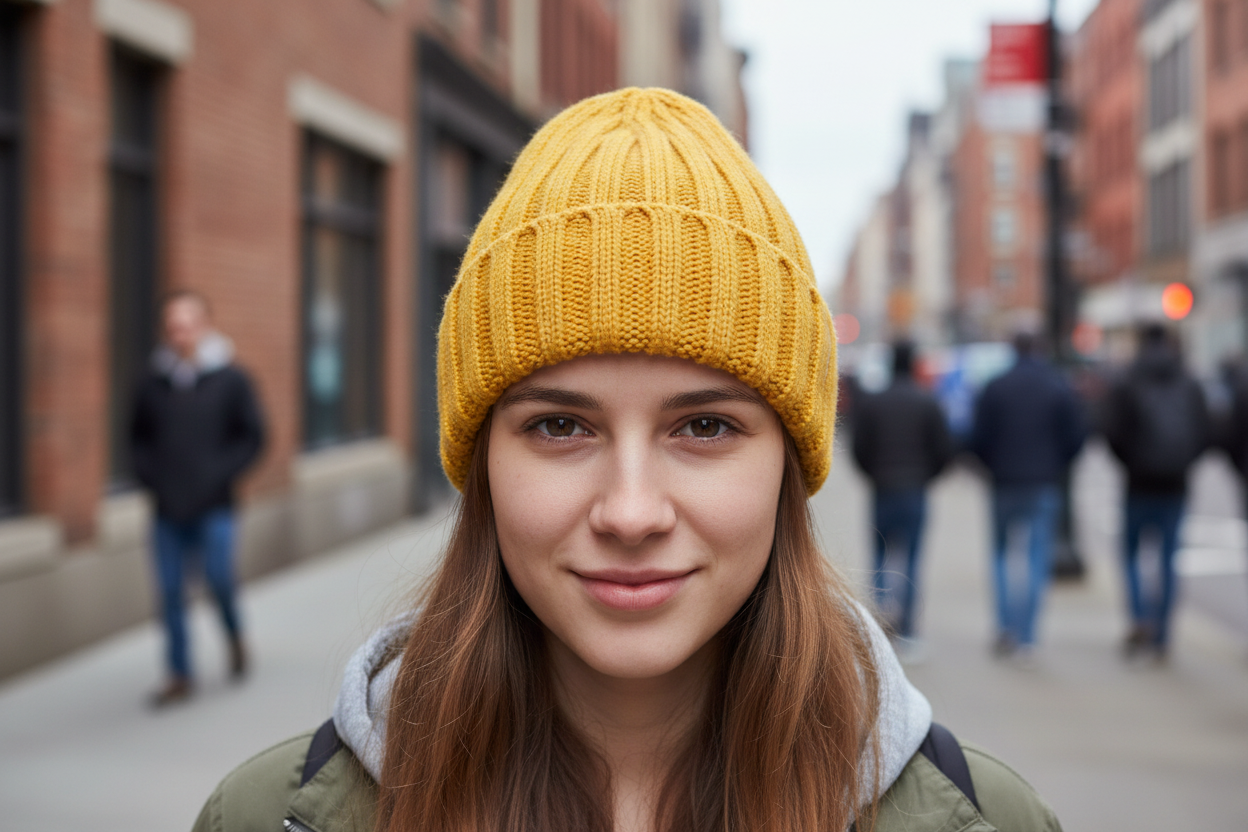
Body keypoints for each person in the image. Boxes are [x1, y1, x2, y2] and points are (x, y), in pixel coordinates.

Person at [194, 89, 1060, 832]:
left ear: (789, 463)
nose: (632, 512)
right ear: (481, 460)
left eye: (707, 428)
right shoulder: (268, 816)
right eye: (562, 428)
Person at [130, 290, 265, 706]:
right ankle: (178, 673)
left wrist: (220, 474)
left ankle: (233, 635)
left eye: (187, 324)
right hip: (167, 509)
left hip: (215, 506)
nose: (180, 333)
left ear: (204, 325)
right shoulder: (151, 384)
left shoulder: (231, 379)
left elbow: (254, 436)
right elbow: (135, 439)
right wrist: (152, 478)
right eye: (172, 326)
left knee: (219, 580)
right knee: (170, 591)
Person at [970, 331, 1086, 660]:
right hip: (1042, 482)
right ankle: (1029, 636)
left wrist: (991, 465)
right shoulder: (1056, 386)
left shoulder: (996, 386)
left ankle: (1007, 627)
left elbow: (977, 436)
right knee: (1036, 558)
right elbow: (1076, 435)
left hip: (1004, 482)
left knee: (1001, 556)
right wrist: (1056, 464)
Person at [1103, 323, 1210, 661]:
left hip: (1138, 484)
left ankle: (1140, 618)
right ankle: (1162, 633)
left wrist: (1130, 463)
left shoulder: (1129, 380)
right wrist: (1184, 463)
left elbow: (1112, 432)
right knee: (1168, 559)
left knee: (1133, 554)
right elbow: (1205, 431)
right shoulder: (1188, 381)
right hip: (1175, 484)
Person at [851, 340, 954, 655]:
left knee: (880, 559)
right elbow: (945, 449)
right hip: (914, 489)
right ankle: (908, 631)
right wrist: (926, 476)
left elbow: (859, 449)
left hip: (882, 488)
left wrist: (874, 474)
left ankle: (879, 629)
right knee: (910, 559)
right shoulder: (927, 402)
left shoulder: (874, 402)